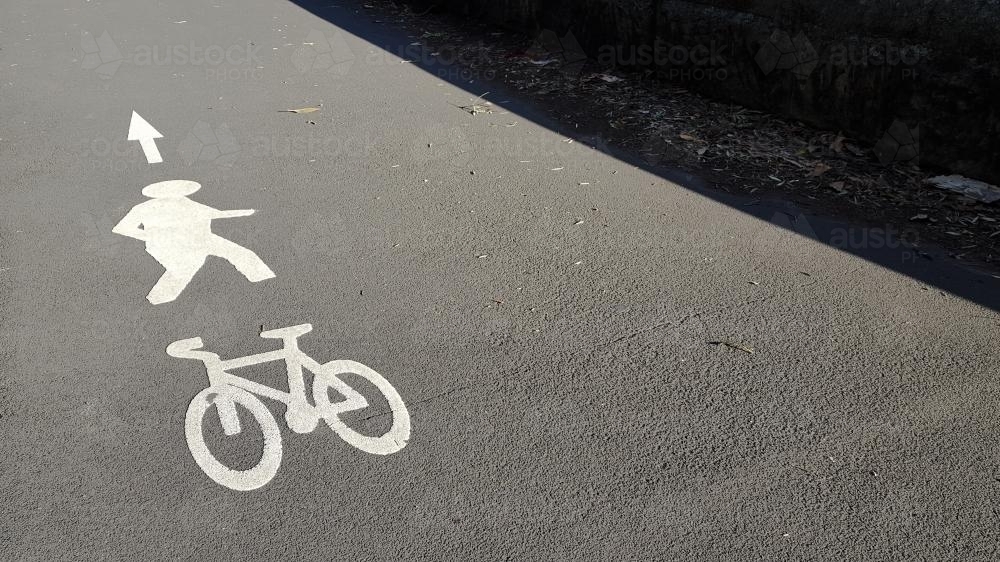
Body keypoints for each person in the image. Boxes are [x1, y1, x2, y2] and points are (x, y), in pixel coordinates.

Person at [113, 179, 275, 304]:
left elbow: (213, 213)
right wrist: (153, 235)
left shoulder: (185, 202)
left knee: (241, 253)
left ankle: (264, 280)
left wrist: (245, 212)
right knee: (183, 269)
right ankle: (159, 299)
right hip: (168, 244)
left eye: (179, 191)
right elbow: (122, 228)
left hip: (202, 238)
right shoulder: (143, 208)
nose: (176, 194)